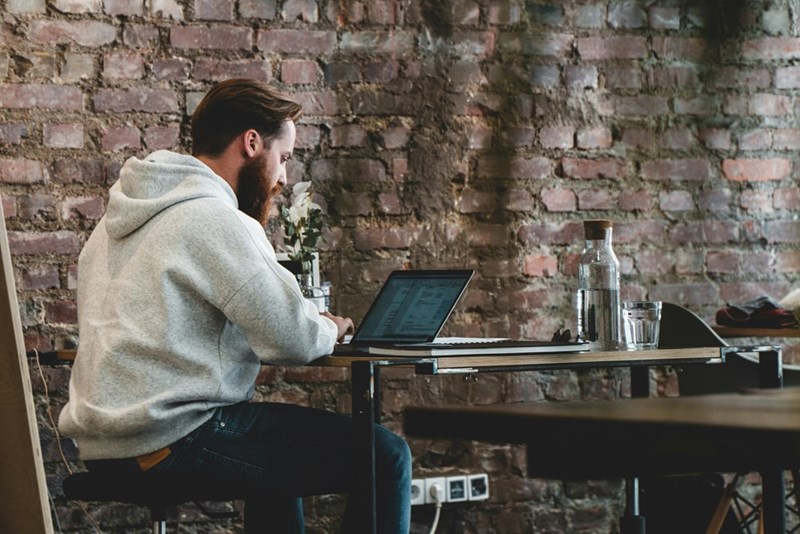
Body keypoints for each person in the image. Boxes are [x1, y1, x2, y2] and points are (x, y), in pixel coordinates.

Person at [58, 78, 412, 533]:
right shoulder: (215, 218)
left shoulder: (113, 223)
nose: (283, 178)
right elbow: (293, 338)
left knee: (273, 468)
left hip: (103, 444)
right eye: (282, 158)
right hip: (171, 436)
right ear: (251, 143)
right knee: (385, 456)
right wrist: (329, 326)